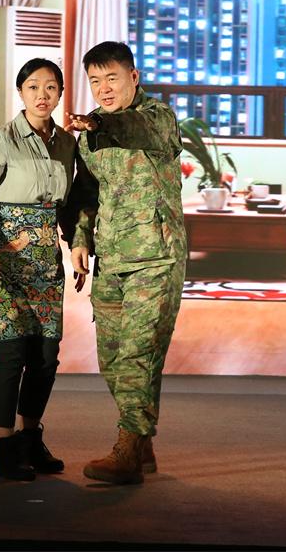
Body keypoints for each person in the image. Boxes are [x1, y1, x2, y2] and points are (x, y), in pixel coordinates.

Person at [63, 41, 187, 485]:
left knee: (138, 354)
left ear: (133, 77)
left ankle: (128, 448)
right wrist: (80, 240)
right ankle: (142, 443)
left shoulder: (158, 119)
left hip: (156, 257)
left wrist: (98, 122)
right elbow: (86, 194)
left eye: (112, 78)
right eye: (95, 81)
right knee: (113, 358)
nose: (104, 88)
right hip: (111, 259)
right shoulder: (89, 135)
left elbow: (134, 129)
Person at [0, 58, 82, 482]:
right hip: (0, 259)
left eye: (50, 87)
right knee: (10, 354)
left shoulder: (66, 144)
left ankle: (32, 438)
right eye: (33, 86)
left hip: (45, 263)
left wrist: (78, 244)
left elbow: (66, 207)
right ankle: (6, 448)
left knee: (45, 357)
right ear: (20, 92)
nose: (42, 95)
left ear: (60, 93)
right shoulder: (2, 140)